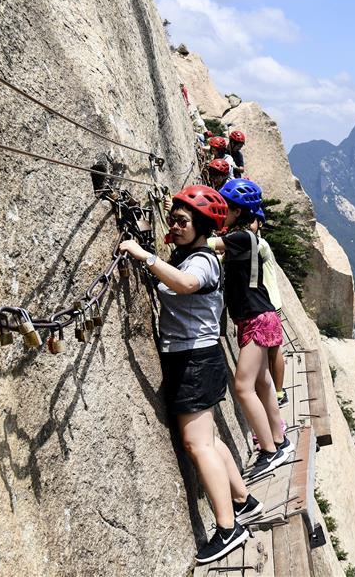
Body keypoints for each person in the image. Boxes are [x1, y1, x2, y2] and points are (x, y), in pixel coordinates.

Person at [118, 185, 264, 564]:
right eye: (174, 219)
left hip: (195, 360)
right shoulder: (189, 254)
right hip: (198, 357)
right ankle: (243, 500)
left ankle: (228, 529)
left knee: (196, 443)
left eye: (183, 221)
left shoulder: (202, 261)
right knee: (209, 439)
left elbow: (184, 284)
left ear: (202, 227)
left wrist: (143, 255)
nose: (175, 226)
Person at [214, 179, 293, 479]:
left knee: (243, 387)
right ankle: (279, 439)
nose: (222, 212)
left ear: (237, 211)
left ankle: (269, 451)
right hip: (260, 317)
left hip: (256, 319)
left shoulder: (241, 238)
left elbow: (207, 244)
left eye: (225, 208)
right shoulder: (246, 237)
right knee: (261, 382)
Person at [251, 208, 288, 406]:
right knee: (273, 350)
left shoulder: (260, 244)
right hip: (270, 302)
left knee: (273, 351)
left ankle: (279, 392)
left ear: (260, 224)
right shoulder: (256, 242)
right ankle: (278, 391)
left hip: (270, 304)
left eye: (252, 220)